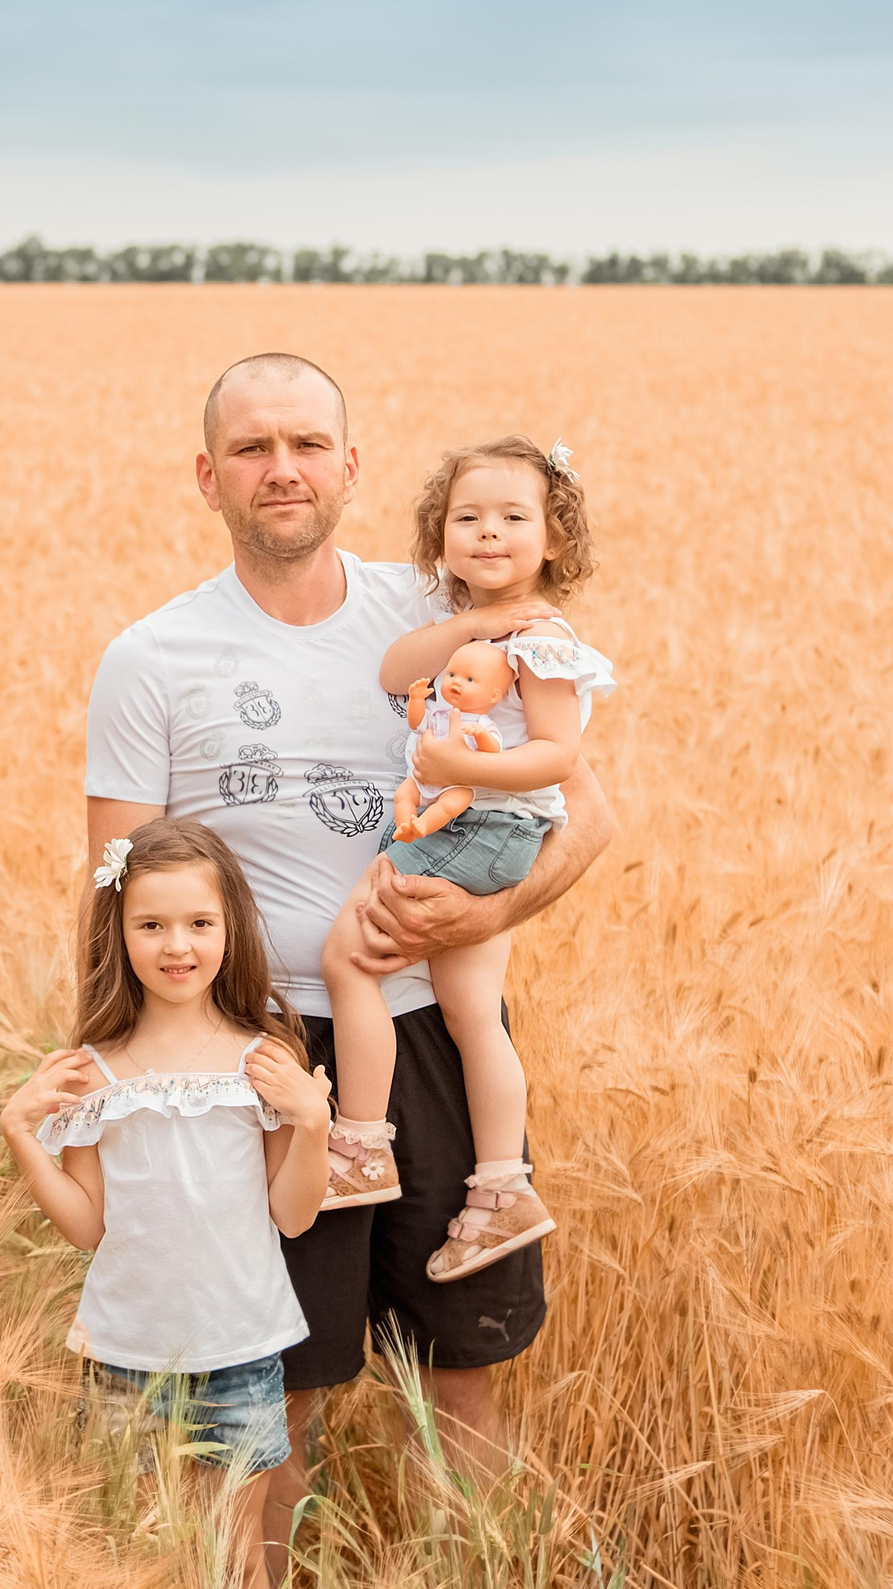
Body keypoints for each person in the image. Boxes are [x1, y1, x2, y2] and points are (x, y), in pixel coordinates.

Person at [80, 354, 617, 1548]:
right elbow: (112, 887)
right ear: (208, 475)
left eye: (307, 444)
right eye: (254, 449)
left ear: (351, 466)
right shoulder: (152, 658)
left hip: (433, 1041)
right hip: (257, 1059)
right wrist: (118, 1093)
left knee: (460, 1370)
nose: (284, 470)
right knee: (272, 1393)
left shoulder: (445, 615)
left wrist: (483, 918)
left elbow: (588, 817)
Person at [1, 817, 333, 1588]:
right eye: (150, 924)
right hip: (127, 1355)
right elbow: (87, 1226)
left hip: (238, 1348)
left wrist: (314, 1122)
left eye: (198, 923)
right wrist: (21, 1133)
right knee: (138, 1555)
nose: (176, 945)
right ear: (118, 933)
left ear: (230, 927)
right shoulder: (93, 1073)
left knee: (233, 1558)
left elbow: (293, 1214)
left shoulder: (263, 1059)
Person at [321, 435, 616, 1287]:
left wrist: (461, 766)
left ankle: (360, 1145)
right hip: (486, 826)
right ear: (440, 534)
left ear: (554, 540)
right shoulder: (478, 625)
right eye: (468, 517)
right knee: (473, 1014)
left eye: (515, 517)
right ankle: (502, 1188)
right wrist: (469, 625)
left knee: (346, 958)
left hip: (476, 825)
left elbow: (558, 754)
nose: (489, 532)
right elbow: (394, 671)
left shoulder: (541, 640)